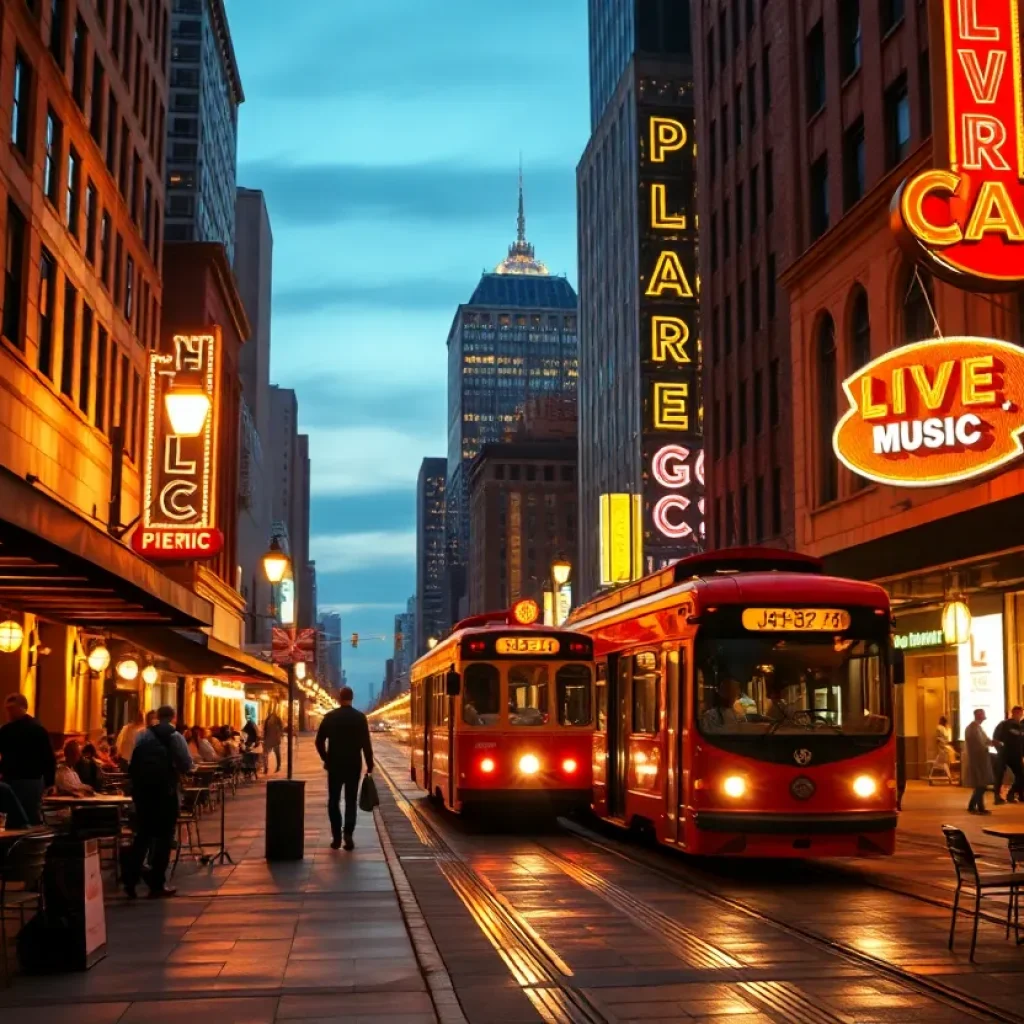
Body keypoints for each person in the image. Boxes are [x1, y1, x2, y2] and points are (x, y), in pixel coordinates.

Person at [125, 705, 194, 898]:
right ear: (173, 717)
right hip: (165, 794)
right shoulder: (176, 737)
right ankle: (157, 884)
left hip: (143, 794)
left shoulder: (143, 735)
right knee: (164, 837)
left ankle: (130, 880)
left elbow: (132, 762)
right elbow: (187, 765)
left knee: (143, 835)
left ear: (157, 716)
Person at [315, 686, 374, 851]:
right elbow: (366, 744)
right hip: (353, 765)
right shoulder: (360, 718)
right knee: (350, 801)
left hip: (335, 765)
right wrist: (369, 764)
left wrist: (326, 758)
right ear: (352, 698)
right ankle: (348, 833)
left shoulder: (330, 717)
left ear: (339, 698)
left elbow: (319, 742)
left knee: (333, 801)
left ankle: (336, 837)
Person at [0, 693, 56, 824]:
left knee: (20, 817)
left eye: (11, 709)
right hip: (26, 780)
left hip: (25, 781)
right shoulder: (37, 728)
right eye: (7, 710)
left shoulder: (10, 730)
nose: (9, 713)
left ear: (23, 708)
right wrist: (49, 782)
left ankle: (23, 842)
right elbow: (48, 758)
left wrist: (50, 783)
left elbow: (47, 757)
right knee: (27, 816)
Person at [965, 708, 995, 814]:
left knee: (980, 785)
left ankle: (974, 806)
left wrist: (993, 742)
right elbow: (978, 744)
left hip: (981, 759)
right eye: (981, 714)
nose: (983, 716)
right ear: (977, 715)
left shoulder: (978, 728)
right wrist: (987, 746)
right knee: (981, 785)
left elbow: (986, 740)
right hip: (977, 760)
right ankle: (977, 807)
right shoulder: (972, 728)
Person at [993, 706, 1024, 804]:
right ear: (1012, 713)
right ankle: (998, 797)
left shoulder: (1021, 726)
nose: (1019, 715)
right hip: (1005, 754)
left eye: (1020, 713)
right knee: (1000, 776)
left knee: (1020, 775)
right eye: (1017, 713)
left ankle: (1011, 794)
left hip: (1015, 754)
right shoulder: (1004, 724)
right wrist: (1000, 750)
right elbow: (996, 739)